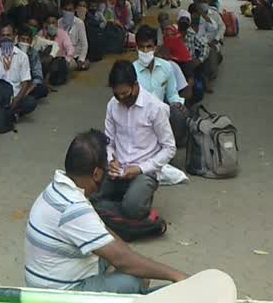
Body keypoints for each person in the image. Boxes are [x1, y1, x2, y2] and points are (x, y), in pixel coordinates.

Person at [25, 129, 188, 293]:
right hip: (58, 294)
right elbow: (123, 260)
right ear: (96, 173)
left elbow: (103, 231)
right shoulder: (74, 208)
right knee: (134, 279)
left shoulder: (57, 188)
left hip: (47, 279)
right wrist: (177, 275)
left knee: (131, 263)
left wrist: (128, 256)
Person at [100, 61, 177, 219]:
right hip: (118, 170)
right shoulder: (112, 105)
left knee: (132, 208)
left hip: (144, 172)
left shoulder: (155, 107)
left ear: (135, 85)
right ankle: (120, 206)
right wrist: (110, 160)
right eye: (117, 95)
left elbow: (169, 148)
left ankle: (123, 207)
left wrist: (141, 168)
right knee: (87, 193)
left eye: (125, 94)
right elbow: (108, 142)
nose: (121, 99)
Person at [133, 26, 187, 147]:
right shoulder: (132, 71)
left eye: (149, 47)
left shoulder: (166, 66)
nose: (145, 51)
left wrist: (178, 104)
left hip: (161, 114)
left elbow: (172, 94)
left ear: (155, 48)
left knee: (179, 114)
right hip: (140, 117)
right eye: (141, 47)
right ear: (136, 48)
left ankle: (170, 148)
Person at [0, 24, 37, 118]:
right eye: (3, 35)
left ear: (14, 37)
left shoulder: (22, 57)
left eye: (8, 35)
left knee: (30, 102)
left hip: (16, 96)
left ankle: (9, 113)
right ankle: (11, 115)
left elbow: (25, 83)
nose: (6, 38)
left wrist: (15, 102)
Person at [17, 25, 50, 100]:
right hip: (14, 84)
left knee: (42, 89)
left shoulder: (33, 53)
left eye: (27, 40)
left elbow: (38, 76)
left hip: (28, 84)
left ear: (31, 41)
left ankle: (26, 98)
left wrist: (27, 92)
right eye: (22, 39)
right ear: (18, 39)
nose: (24, 43)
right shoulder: (12, 51)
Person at [60, 0, 90, 71]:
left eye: (70, 10)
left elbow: (84, 44)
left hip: (76, 55)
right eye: (66, 10)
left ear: (74, 10)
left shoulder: (79, 23)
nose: (68, 12)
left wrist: (81, 59)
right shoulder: (58, 22)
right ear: (61, 10)